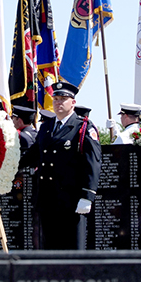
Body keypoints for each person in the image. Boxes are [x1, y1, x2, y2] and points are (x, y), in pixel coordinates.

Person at [19, 81, 101, 250]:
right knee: (51, 250)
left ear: (73, 102)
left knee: (73, 250)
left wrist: (88, 195)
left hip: (71, 200)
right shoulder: (46, 127)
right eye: (55, 99)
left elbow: (92, 163)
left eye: (63, 99)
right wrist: (8, 165)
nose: (58, 103)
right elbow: (34, 155)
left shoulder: (83, 127)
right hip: (48, 198)